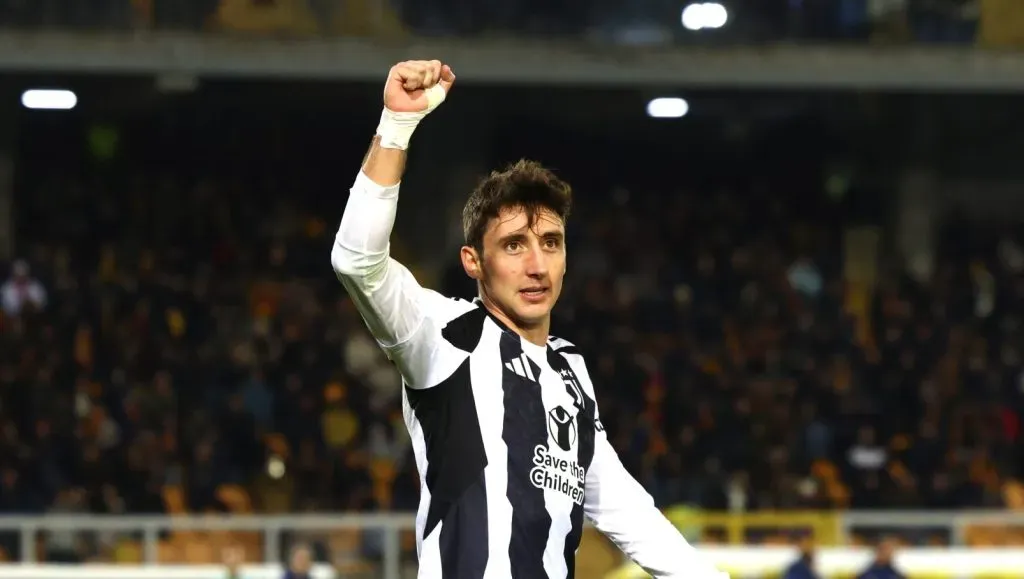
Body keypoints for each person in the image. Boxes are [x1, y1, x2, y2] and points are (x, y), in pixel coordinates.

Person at [331, 59, 729, 578]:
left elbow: (628, 513)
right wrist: (397, 125)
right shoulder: (442, 335)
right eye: (514, 245)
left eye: (551, 243)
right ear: (473, 262)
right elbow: (357, 261)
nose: (537, 266)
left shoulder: (570, 372)